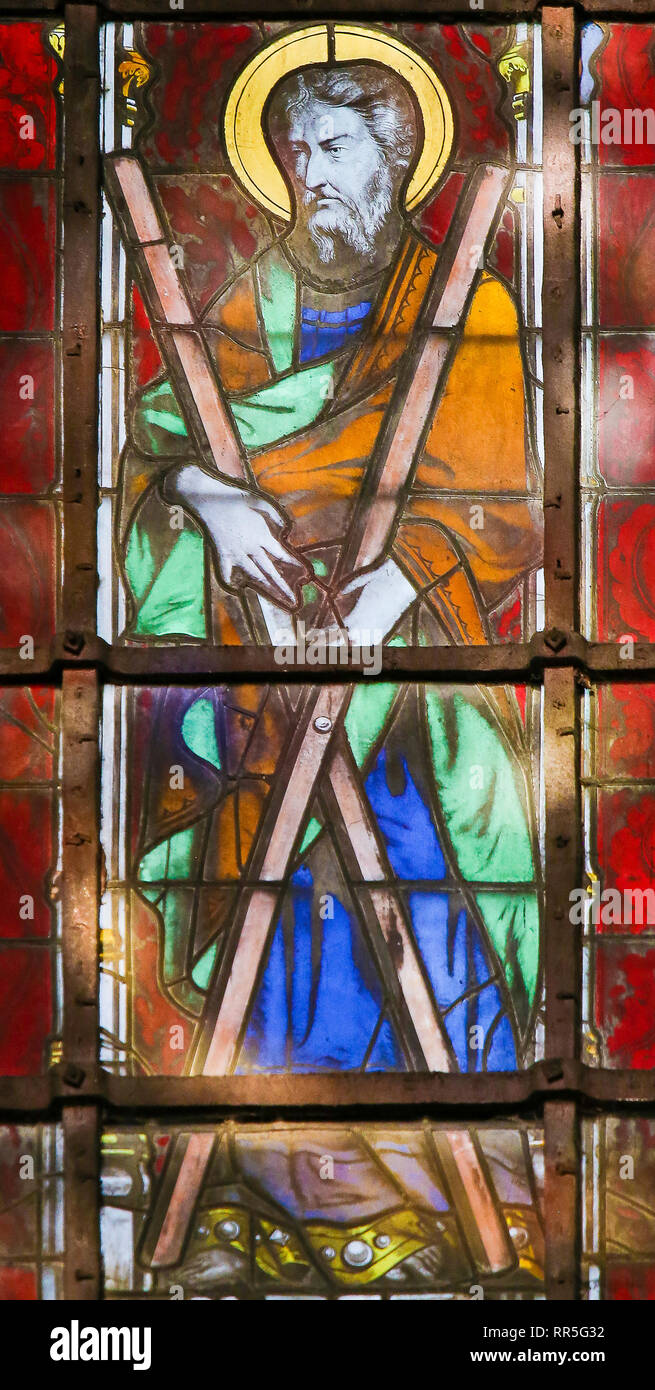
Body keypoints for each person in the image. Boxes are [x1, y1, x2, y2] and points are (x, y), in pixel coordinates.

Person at [116, 54, 543, 1077]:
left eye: (334, 147)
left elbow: (497, 500)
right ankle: (256, 1181)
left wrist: (392, 589)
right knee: (278, 917)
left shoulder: (465, 304)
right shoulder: (242, 303)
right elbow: (167, 441)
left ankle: (457, 1159)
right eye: (294, 150)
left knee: (423, 875)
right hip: (255, 652)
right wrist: (213, 505)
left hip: (416, 676)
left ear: (396, 160)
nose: (309, 171)